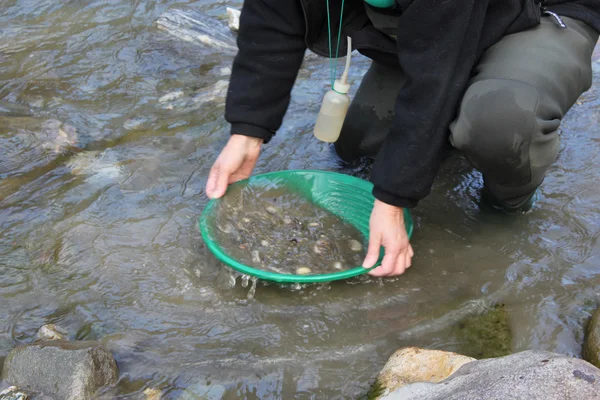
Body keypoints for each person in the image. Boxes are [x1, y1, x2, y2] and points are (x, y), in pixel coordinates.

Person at [205, 0, 600, 277]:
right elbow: (273, 15)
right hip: (435, 25)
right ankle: (465, 118)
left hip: (538, 15)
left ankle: (508, 203)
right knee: (359, 150)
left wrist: (393, 198)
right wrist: (248, 131)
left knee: (499, 125)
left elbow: (435, 79)